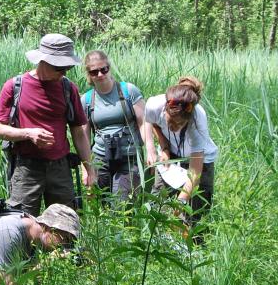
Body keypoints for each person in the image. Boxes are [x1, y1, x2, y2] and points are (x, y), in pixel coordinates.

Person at [0, 34, 96, 217]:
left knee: (64, 222)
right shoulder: (15, 86)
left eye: (68, 67)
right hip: (26, 168)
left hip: (60, 168)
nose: (64, 72)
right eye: (59, 67)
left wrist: (89, 169)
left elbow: (78, 133)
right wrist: (28, 134)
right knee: (21, 222)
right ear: (42, 61)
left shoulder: (68, 89)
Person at [144, 76, 218, 224]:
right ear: (165, 107)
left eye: (179, 125)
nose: (172, 128)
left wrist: (182, 200)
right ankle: (157, 240)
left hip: (199, 161)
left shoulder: (198, 121)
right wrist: (159, 148)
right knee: (157, 205)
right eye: (170, 122)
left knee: (194, 216)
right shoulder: (154, 104)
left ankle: (194, 244)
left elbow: (195, 172)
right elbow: (151, 123)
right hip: (171, 155)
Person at [0, 204, 80, 285]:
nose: (64, 245)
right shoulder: (8, 235)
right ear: (48, 227)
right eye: (65, 238)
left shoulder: (34, 232)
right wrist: (44, 265)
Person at [81, 50, 146, 202]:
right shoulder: (87, 99)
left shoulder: (128, 91)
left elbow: (144, 122)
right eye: (94, 72)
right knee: (101, 205)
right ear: (89, 74)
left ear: (109, 68)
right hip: (100, 158)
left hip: (128, 157)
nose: (100, 74)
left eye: (103, 69)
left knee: (122, 204)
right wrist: (86, 169)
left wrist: (148, 151)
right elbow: (83, 137)